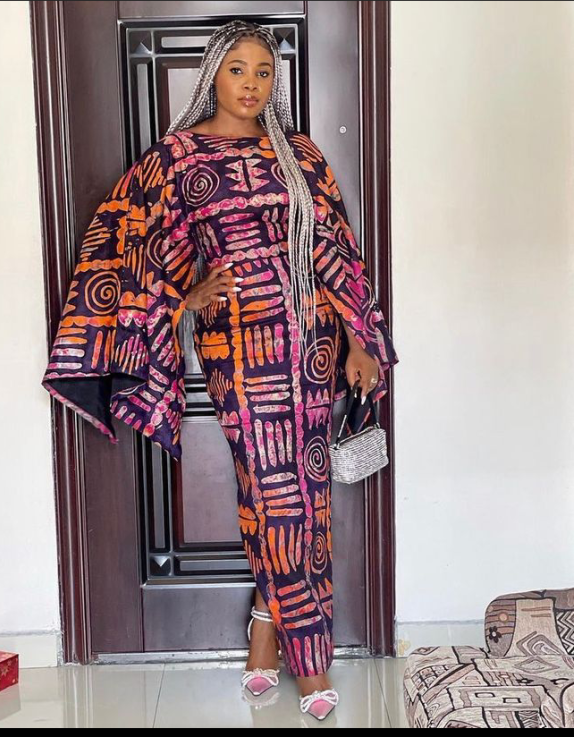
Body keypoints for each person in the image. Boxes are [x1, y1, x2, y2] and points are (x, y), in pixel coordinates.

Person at [41, 19, 399, 722]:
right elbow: (126, 242)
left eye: (264, 72)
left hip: (312, 346)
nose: (251, 85)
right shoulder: (176, 158)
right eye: (238, 70)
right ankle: (311, 659)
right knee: (271, 493)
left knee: (306, 497)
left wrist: (360, 338)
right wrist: (184, 295)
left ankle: (267, 627)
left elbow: (336, 249)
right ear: (213, 75)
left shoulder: (298, 153)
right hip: (239, 350)